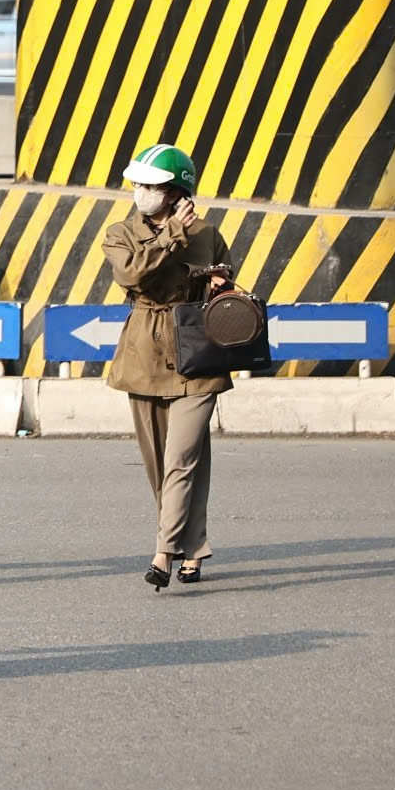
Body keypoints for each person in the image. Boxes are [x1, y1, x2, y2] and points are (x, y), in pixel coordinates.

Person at [101, 143, 233, 590]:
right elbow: (134, 275)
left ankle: (163, 552)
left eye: (153, 185)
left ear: (177, 190)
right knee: (159, 463)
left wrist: (218, 282)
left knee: (184, 457)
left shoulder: (209, 234)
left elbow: (224, 290)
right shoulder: (119, 233)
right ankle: (193, 548)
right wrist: (173, 233)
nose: (142, 192)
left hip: (198, 353)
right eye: (139, 184)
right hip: (144, 353)